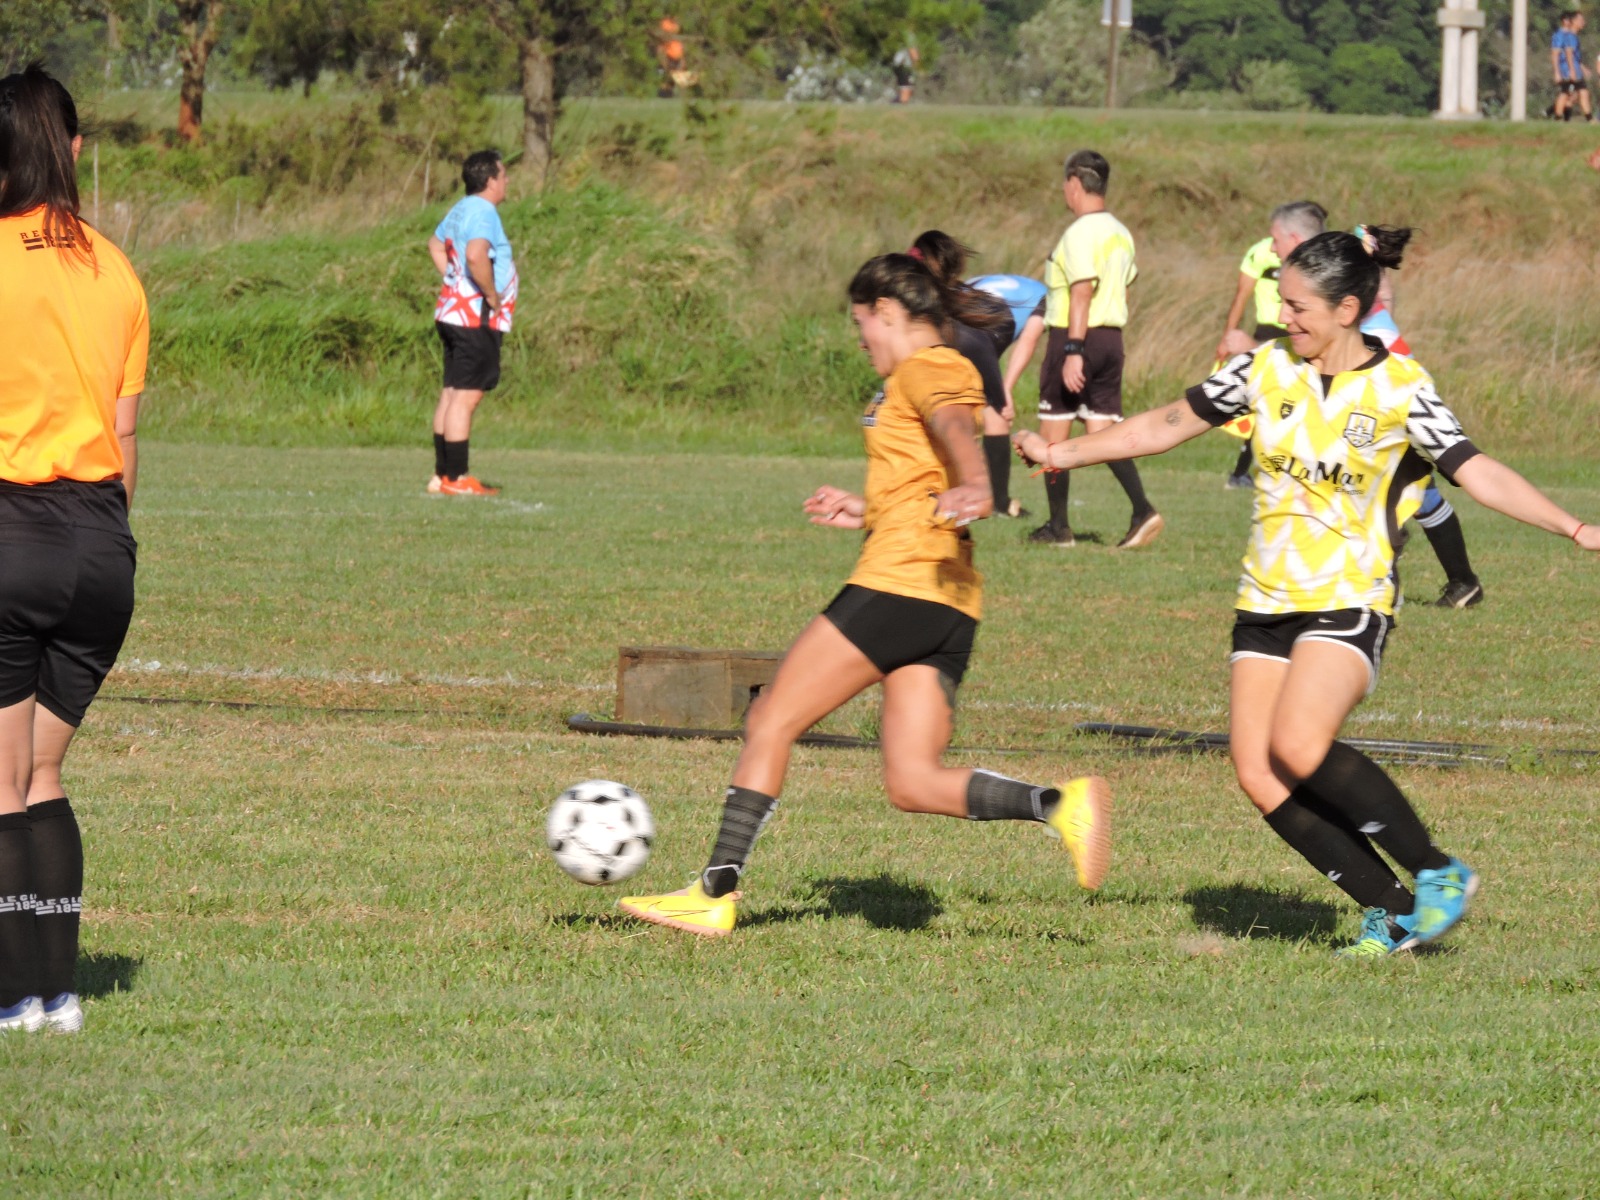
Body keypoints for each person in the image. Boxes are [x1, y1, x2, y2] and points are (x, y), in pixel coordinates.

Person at [1015, 229, 1600, 956]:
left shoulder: (1401, 391)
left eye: (1298, 307)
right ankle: (1391, 912)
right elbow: (1165, 424)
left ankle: (1435, 871)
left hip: (1349, 598)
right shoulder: (1262, 368)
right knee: (1259, 773)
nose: (1284, 318)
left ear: (1348, 309)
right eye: (1282, 304)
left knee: (1298, 742)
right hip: (1264, 602)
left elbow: (1477, 472)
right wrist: (1060, 450)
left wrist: (1575, 529)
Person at [617, 254, 1111, 937]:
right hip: (947, 599)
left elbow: (957, 434)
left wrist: (976, 482)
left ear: (887, 312)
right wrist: (869, 507)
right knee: (911, 780)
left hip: (900, 584)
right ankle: (1061, 805)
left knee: (771, 722)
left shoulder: (929, 366)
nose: (860, 339)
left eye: (861, 323)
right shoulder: (929, 371)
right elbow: (923, 468)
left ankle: (713, 892)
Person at [0, 65, 147, 1033]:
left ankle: (13, 994)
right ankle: (56, 995)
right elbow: (126, 446)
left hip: (11, 531)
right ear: (76, 151)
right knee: (41, 776)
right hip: (103, 547)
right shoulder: (118, 270)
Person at [1031, 150, 1161, 550]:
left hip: (1076, 338)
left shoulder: (1079, 232)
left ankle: (1058, 527)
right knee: (1104, 434)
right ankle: (1142, 510)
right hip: (1111, 339)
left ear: (1074, 183)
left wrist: (1072, 349)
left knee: (1053, 434)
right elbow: (1125, 281)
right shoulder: (1120, 232)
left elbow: (1082, 291)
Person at [1350, 224, 1483, 607]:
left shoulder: (1372, 329)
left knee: (1388, 497)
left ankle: (1391, 584)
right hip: (1388, 413)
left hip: (1394, 415)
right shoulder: (1368, 313)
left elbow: (1398, 382)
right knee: (1419, 497)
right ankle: (1462, 582)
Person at [909, 230, 1035, 520]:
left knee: (976, 418)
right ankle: (990, 497)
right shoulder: (943, 301)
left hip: (970, 345)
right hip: (973, 342)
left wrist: (1000, 394)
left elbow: (981, 344)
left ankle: (987, 496)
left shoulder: (945, 310)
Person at [1215, 201, 1326, 489]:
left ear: (1295, 239)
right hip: (1271, 336)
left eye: (1276, 240)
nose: (1273, 248)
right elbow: (1241, 294)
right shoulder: (1270, 257)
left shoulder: (1324, 279)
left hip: (1283, 343)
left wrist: (1251, 346)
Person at [426, 149, 517, 497]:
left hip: (451, 311)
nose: (507, 181)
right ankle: (458, 477)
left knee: (451, 393)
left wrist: (455, 281)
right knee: (466, 397)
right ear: (491, 180)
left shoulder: (460, 208)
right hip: (472, 317)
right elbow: (476, 254)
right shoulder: (483, 212)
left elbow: (435, 246)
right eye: (504, 175)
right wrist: (491, 295)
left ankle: (442, 475)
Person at [1552, 12, 1593, 121]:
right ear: (1573, 22)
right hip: (1568, 70)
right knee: (1566, 93)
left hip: (1574, 69)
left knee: (1580, 93)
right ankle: (1556, 117)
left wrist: (1583, 69)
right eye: (1580, 20)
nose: (1583, 23)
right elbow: (1568, 53)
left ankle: (1588, 118)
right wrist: (1572, 70)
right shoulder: (1569, 36)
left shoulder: (1573, 36)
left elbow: (1575, 56)